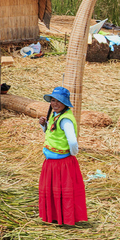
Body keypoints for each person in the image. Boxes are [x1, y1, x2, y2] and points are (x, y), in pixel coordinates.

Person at [38, 86, 88, 226]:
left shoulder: (66, 119)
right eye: (53, 100)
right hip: (52, 162)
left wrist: (72, 154)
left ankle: (64, 218)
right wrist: (44, 126)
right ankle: (55, 216)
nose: (55, 104)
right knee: (54, 192)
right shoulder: (55, 115)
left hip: (62, 163)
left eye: (59, 101)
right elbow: (53, 134)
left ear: (65, 103)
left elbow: (72, 140)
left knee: (62, 192)